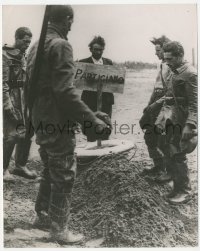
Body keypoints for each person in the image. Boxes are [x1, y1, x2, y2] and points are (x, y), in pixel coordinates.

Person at [26, 5, 110, 244]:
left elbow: (37, 88)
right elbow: (64, 92)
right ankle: (59, 229)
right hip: (57, 121)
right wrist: (92, 120)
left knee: (49, 167)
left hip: (40, 118)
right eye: (71, 22)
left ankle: (41, 215)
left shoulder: (36, 45)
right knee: (64, 173)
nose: (71, 26)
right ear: (68, 20)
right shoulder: (61, 45)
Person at [155, 41, 197, 204]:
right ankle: (177, 187)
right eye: (165, 59)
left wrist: (190, 125)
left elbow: (195, 103)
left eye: (170, 59)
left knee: (179, 154)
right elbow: (169, 97)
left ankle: (185, 191)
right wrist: (162, 117)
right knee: (169, 148)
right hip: (172, 117)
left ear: (180, 56)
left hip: (183, 119)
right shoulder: (173, 70)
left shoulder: (190, 74)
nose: (167, 62)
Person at [3, 27, 37, 181]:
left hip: (25, 98)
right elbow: (2, 84)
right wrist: (7, 105)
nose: (27, 44)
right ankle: (3, 169)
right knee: (11, 135)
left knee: (28, 132)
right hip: (13, 98)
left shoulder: (25, 56)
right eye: (24, 41)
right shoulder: (5, 55)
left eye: (29, 42)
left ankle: (20, 165)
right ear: (16, 38)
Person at [140, 35, 172, 182]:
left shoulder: (171, 67)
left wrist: (155, 104)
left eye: (158, 50)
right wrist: (149, 105)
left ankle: (168, 171)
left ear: (165, 50)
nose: (155, 53)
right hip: (155, 101)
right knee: (148, 135)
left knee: (162, 139)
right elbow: (156, 87)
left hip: (164, 105)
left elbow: (169, 92)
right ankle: (158, 166)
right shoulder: (161, 65)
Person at [80, 36, 114, 141]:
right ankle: (92, 149)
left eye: (100, 50)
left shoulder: (108, 62)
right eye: (96, 49)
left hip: (106, 100)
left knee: (106, 125)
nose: (98, 52)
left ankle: (104, 151)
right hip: (89, 100)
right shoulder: (83, 62)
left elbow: (113, 81)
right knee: (90, 127)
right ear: (91, 49)